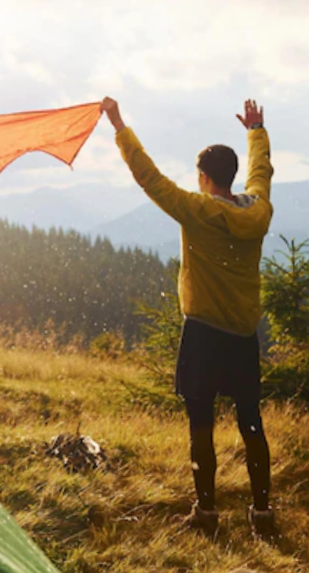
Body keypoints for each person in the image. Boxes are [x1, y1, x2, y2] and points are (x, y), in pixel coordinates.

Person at [101, 97, 278, 541]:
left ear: (203, 178)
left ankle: (207, 511)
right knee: (250, 421)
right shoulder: (256, 209)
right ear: (231, 176)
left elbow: (149, 178)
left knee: (201, 425)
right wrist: (256, 130)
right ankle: (262, 511)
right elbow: (263, 171)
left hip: (201, 335)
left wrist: (120, 125)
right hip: (241, 335)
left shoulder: (197, 210)